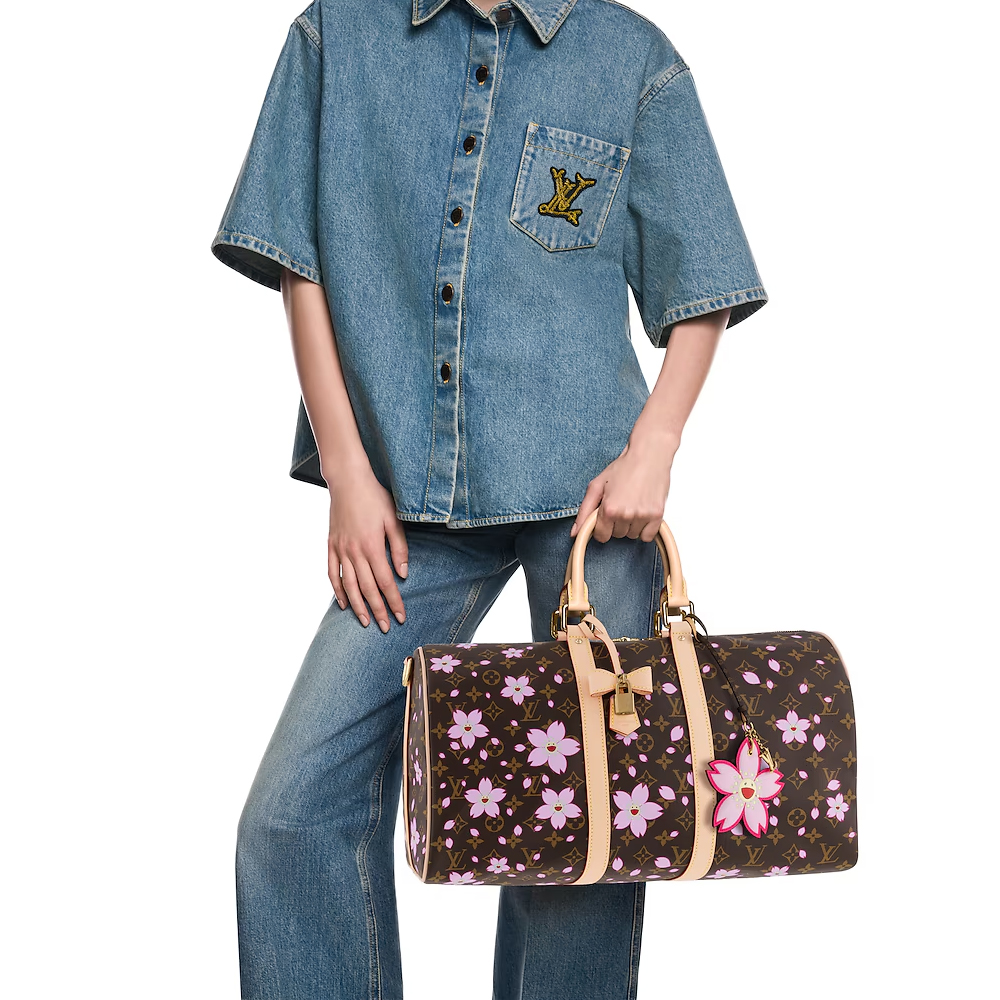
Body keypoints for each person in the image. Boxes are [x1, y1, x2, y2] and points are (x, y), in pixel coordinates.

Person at [210, 1, 768, 998]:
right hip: (404, 503)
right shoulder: (339, 34)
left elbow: (703, 282)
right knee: (292, 812)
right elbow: (300, 262)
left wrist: (655, 447)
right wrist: (346, 470)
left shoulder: (631, 58)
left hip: (594, 506)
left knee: (587, 816)